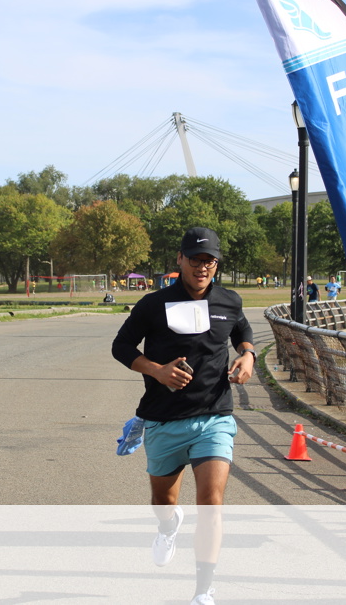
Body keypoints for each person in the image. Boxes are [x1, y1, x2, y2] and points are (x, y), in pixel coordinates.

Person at [112, 227, 255, 605]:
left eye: (209, 261)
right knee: (163, 501)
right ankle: (168, 526)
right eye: (195, 259)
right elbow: (121, 346)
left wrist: (248, 354)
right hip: (164, 419)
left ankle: (203, 590)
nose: (202, 267)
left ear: (216, 264)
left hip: (214, 417)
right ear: (180, 259)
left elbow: (241, 326)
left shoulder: (229, 300)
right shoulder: (152, 304)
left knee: (211, 501)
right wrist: (156, 370)